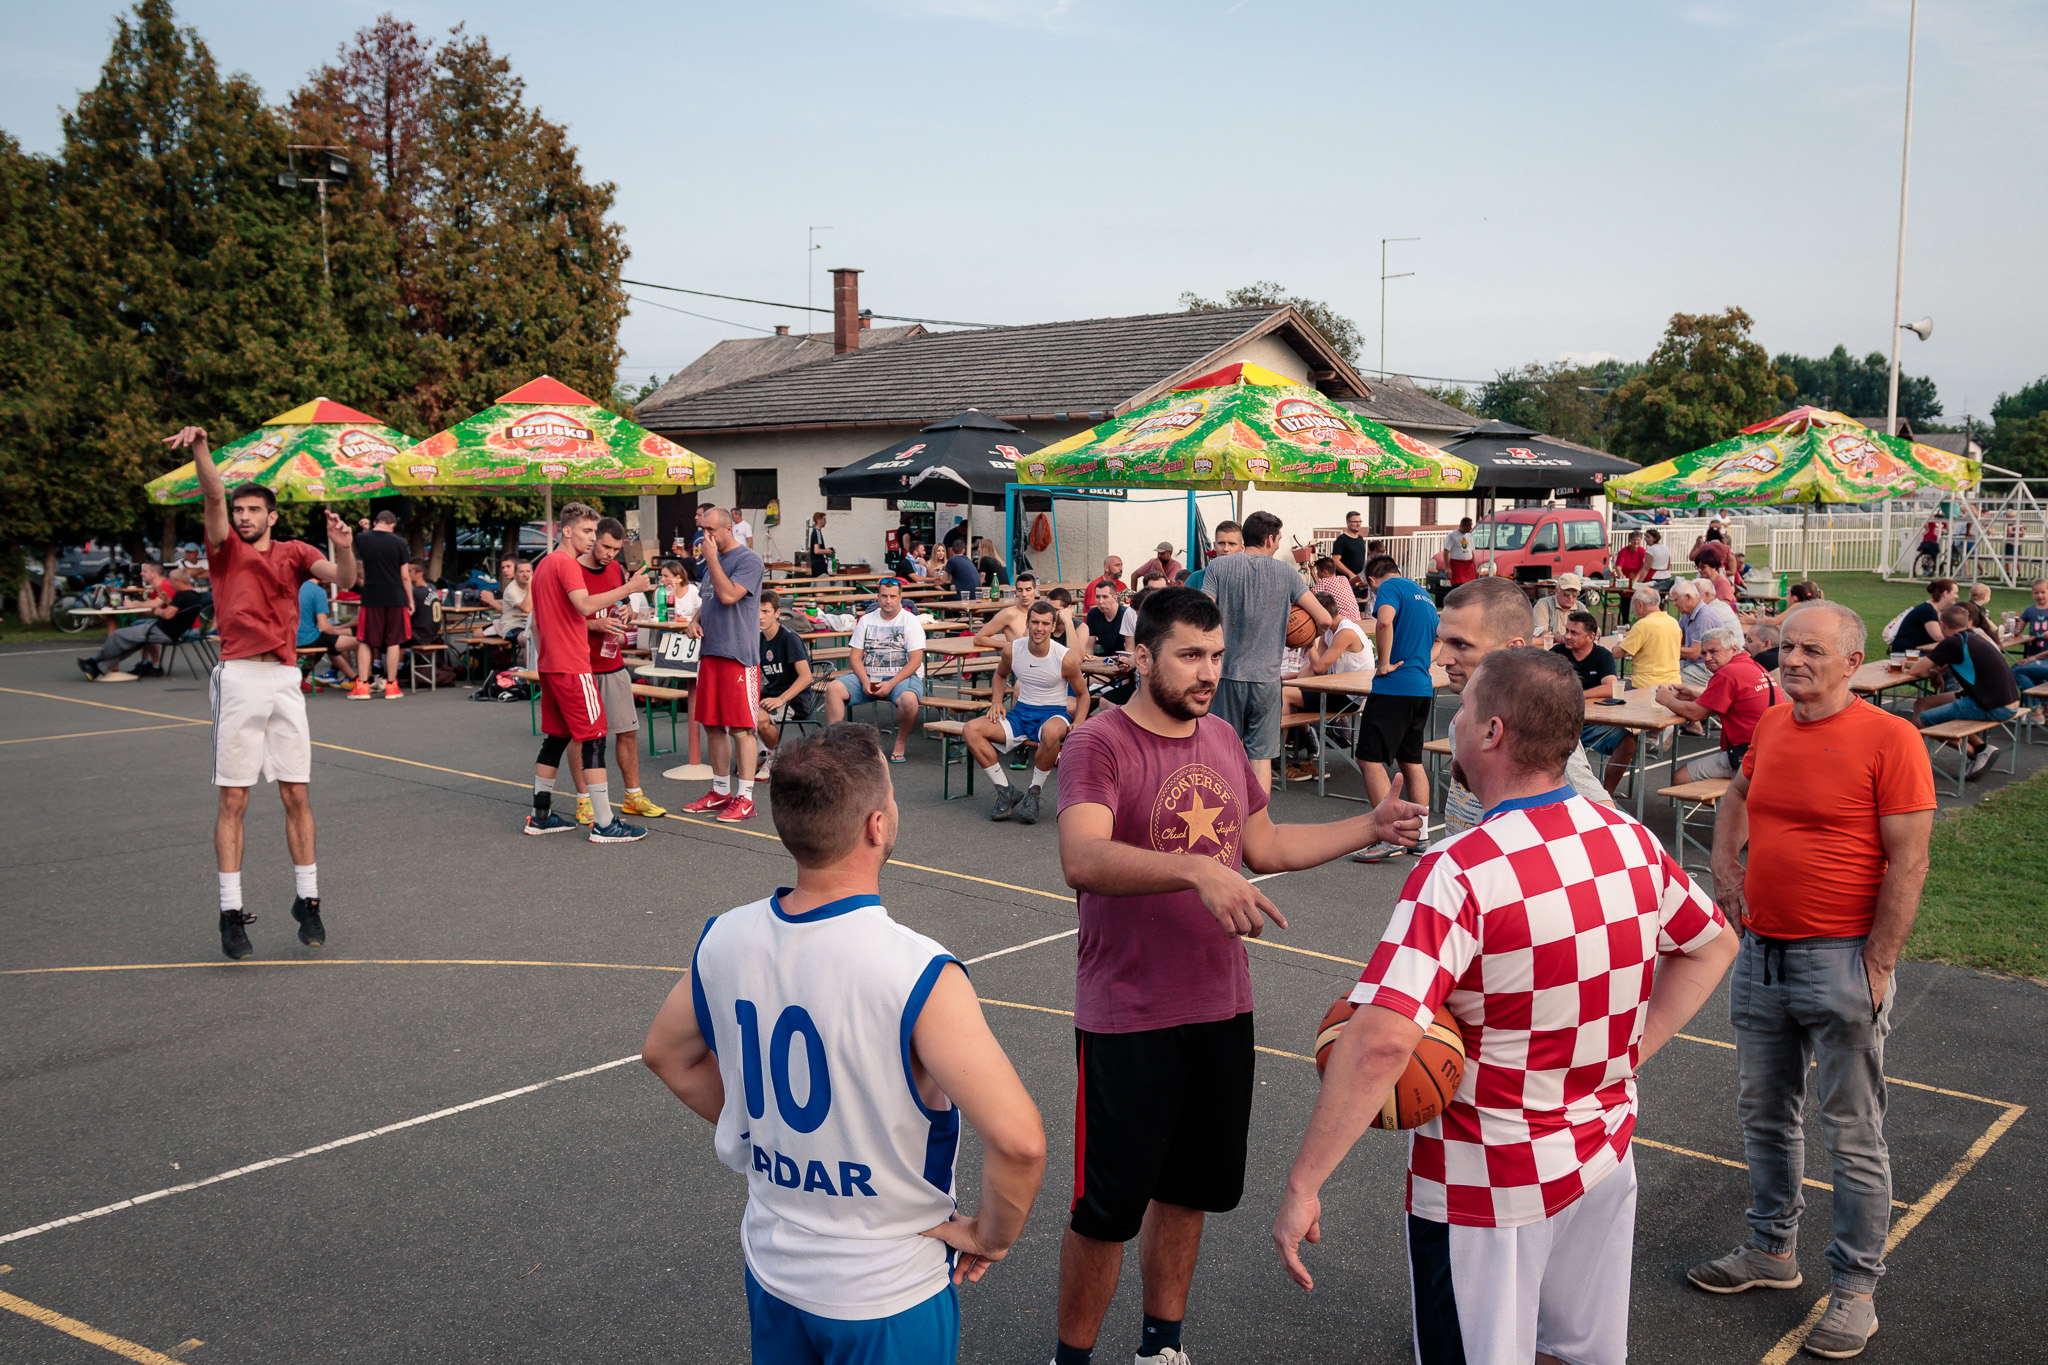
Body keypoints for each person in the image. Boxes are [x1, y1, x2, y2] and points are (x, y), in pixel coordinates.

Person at [1273, 647, 1735, 1365]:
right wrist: (1628, 1054)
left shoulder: (1459, 869)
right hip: (1603, 1152)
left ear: (1491, 732)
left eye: (1462, 711)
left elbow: (1382, 1041)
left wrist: (1304, 1182)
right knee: (1573, 1352)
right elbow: (1711, 944)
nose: (1451, 724)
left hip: (1487, 1179)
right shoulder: (1630, 840)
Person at [1053, 587, 1426, 1365]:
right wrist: (1194, 869)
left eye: (1217, 656)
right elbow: (1081, 858)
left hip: (1220, 1005)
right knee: (1107, 1208)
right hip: (1127, 1012)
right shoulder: (1101, 741)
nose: (1208, 672)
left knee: (1189, 1191)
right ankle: (1074, 1357)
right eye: (1190, 655)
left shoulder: (1222, 736)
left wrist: (1372, 822)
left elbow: (1263, 844)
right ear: (1145, 657)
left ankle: (1161, 1346)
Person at [641, 723, 1047, 1364]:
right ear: (878, 826)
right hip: (885, 1289)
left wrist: (760, 1131)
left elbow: (666, 1053)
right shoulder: (917, 971)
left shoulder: (725, 937)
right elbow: (1020, 1140)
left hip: (775, 1264)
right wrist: (989, 1236)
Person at [1695, 602, 1936, 1360]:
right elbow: (1736, 796)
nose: (1790, 659)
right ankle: (1772, 1251)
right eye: (1784, 646)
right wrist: (1725, 866)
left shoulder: (1889, 738)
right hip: (1761, 953)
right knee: (1765, 1114)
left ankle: (1857, 1289)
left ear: (1852, 661)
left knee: (1853, 1133)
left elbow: (1911, 862)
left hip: (1840, 961)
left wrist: (1878, 965)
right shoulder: (1771, 724)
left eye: (1810, 650)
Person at [165, 426, 358, 961]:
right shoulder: (224, 547)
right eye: (240, 509)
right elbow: (211, 494)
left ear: (272, 516)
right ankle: (231, 912)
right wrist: (203, 449)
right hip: (239, 677)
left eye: (253, 510)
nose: (244, 516)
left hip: (284, 679)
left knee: (297, 795)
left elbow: (341, 575)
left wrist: (345, 548)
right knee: (235, 798)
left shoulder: (295, 552)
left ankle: (308, 900)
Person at [1430, 577, 1614, 837]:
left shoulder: (1536, 727)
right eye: (1441, 642)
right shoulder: (1466, 716)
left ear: (1513, 649)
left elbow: (1603, 813)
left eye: (1460, 644)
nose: (1442, 660)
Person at [524, 503, 653, 844]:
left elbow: (536, 622)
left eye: (594, 532)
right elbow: (584, 606)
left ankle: (540, 815)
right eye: (586, 531)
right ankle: (605, 822)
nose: (592, 538)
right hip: (572, 664)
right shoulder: (566, 564)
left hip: (550, 664)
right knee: (594, 738)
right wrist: (631, 588)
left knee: (555, 739)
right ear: (566, 531)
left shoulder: (543, 565)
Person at [1200, 510, 1333, 792]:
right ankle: (1258, 822)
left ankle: (1225, 815)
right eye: (1279, 539)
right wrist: (1305, 639)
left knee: (1224, 754)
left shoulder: (1218, 568)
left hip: (1227, 676)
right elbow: (1324, 619)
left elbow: (1201, 614)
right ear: (1270, 539)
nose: (1279, 544)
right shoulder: (1286, 573)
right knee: (1260, 758)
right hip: (1267, 681)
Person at [564, 519, 666, 824]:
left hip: (611, 661)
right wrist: (593, 624)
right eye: (605, 546)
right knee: (579, 736)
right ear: (593, 538)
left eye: (616, 549)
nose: (610, 553)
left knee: (627, 730)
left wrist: (628, 612)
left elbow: (626, 608)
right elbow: (558, 621)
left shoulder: (614, 570)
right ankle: (584, 800)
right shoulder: (570, 569)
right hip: (579, 665)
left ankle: (633, 795)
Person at [677, 508, 768, 821]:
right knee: (713, 725)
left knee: (742, 728)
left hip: (738, 655)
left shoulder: (748, 560)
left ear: (729, 528)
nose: (706, 538)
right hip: (711, 651)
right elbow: (710, 598)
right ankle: (720, 791)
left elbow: (729, 595)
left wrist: (712, 558)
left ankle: (745, 797)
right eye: (703, 530)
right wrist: (695, 619)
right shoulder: (708, 560)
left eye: (712, 530)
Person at [966, 600, 1091, 824]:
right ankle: (1006, 791)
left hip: (1052, 713)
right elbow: (1000, 676)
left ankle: (1034, 793)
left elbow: (1083, 694)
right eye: (1035, 622)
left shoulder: (1064, 658)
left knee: (1052, 733)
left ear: (1053, 627)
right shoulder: (1012, 649)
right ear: (1028, 623)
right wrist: (996, 701)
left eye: (1045, 623)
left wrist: (1080, 721)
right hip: (1020, 714)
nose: (1039, 628)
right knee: (971, 729)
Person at [1354, 553, 1437, 860]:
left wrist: (1385, 662)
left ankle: (1388, 835)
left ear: (1373, 581)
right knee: (1411, 760)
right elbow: (1438, 639)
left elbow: (1385, 621)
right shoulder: (1425, 595)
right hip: (1420, 687)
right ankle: (1421, 836)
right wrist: (1421, 661)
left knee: (1369, 759)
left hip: (1394, 688)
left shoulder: (1389, 588)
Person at [1906, 602, 2018, 776]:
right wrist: (1936, 672)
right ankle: (1981, 747)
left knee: (1922, 720)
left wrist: (1905, 664)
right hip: (2006, 700)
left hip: (1991, 705)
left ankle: (1976, 753)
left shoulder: (1952, 643)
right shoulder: (1974, 636)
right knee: (1922, 703)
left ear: (1943, 624)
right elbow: (1948, 664)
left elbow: (1916, 670)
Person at [823, 578, 926, 763]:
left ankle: (900, 742)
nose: (888, 600)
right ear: (877, 597)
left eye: (893, 596)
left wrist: (891, 684)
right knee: (833, 688)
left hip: (901, 678)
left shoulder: (910, 621)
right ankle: (835, 744)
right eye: (884, 596)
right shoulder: (866, 619)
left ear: (900, 598)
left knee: (909, 700)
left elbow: (915, 661)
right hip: (869, 674)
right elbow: (855, 657)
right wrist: (864, 680)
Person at [1659, 626, 1779, 782]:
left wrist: (1666, 699)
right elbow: (1739, 697)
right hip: (1771, 748)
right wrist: (1696, 693)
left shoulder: (1727, 673)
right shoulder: (1752, 664)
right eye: (1703, 653)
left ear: (1733, 649)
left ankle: (1731, 804)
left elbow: (1695, 713)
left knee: (1680, 777)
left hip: (1747, 754)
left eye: (1714, 651)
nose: (1707, 658)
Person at [1552, 608, 1635, 791]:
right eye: (1566, 631)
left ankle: (1606, 793)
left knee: (1627, 741)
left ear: (1590, 637)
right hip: (1561, 721)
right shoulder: (1556, 654)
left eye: (1574, 633)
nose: (1567, 636)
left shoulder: (1603, 656)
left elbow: (1611, 688)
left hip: (1592, 722)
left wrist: (1579, 694)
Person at [80, 566, 207, 680]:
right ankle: (98, 668)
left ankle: (93, 661)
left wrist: (159, 612)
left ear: (179, 581)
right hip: (173, 630)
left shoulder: (182, 596)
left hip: (164, 631)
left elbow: (168, 614)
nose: (171, 584)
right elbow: (181, 611)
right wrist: (167, 600)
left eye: (172, 580)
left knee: (118, 635)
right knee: (131, 642)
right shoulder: (193, 596)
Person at [346, 510, 410, 700]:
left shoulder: (362, 538)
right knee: (393, 641)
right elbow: (405, 576)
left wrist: (366, 529)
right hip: (396, 597)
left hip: (371, 596)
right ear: (392, 524)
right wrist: (410, 601)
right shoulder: (399, 542)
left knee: (366, 640)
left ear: (375, 522)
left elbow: (370, 542)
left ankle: (363, 686)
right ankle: (391, 686)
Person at [753, 590, 814, 776]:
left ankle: (774, 756)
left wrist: (781, 699)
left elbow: (806, 677)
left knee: (758, 718)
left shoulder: (789, 638)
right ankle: (760, 750)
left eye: (766, 612)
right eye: (757, 611)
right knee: (734, 714)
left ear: (777, 613)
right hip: (771, 693)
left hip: (794, 699)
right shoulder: (760, 638)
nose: (760, 617)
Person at [1613, 584, 1681, 690]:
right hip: (1673, 682)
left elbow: (1616, 653)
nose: (1632, 610)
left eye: (1633, 605)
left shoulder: (1642, 625)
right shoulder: (1673, 622)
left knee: (1609, 690)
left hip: (1644, 684)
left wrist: (1621, 641)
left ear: (1640, 604)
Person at [1675, 578, 1740, 688]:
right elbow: (1676, 637)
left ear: (1688, 597)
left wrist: (1664, 649)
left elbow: (1694, 653)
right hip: (1698, 663)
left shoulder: (1704, 616)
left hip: (1708, 666)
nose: (1674, 604)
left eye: (1676, 600)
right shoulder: (1688, 614)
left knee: (1670, 679)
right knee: (1662, 671)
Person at [295, 573, 356, 688]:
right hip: (307, 639)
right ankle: (361, 680)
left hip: (291, 637)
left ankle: (303, 676)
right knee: (359, 642)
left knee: (327, 642)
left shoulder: (293, 587)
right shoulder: (318, 592)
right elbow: (324, 626)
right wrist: (338, 630)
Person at [1083, 580, 1138, 706]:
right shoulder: (1093, 614)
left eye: (1105, 597)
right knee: (1082, 684)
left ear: (1115, 598)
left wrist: (1098, 659)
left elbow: (1129, 652)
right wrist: (1089, 658)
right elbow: (1089, 649)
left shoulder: (1125, 614)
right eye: (1097, 597)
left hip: (1123, 667)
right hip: (1105, 665)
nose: (1100, 601)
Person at [975, 573, 1048, 649]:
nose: (1024, 594)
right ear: (1016, 592)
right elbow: (979, 638)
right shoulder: (1009, 614)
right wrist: (1009, 645)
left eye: (1028, 590)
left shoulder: (1043, 614)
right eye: (1020, 590)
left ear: (1036, 590)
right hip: (1018, 658)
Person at [1890, 577, 1955, 655]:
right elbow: (1938, 637)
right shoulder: (1928, 610)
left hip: (1915, 651)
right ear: (1946, 594)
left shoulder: (1936, 610)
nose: (1957, 596)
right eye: (1955, 593)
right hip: (1906, 653)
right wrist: (1956, 639)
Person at [480, 553, 531, 648]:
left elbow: (506, 610)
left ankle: (501, 659)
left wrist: (492, 601)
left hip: (516, 623)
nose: (505, 570)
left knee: (476, 634)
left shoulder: (515, 585)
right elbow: (511, 602)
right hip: (519, 622)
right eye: (503, 568)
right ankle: (504, 657)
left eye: (508, 566)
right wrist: (495, 601)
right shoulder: (516, 584)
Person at [1184, 521, 1240, 592]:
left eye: (1232, 544)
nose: (1226, 549)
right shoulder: (1195, 579)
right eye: (1221, 543)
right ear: (1214, 546)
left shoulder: (1249, 579)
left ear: (1242, 548)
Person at [1530, 572, 1584, 639]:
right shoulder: (1543, 604)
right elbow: (1541, 633)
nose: (1570, 597)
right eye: (1566, 592)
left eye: (1575, 593)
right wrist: (1564, 639)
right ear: (1556, 591)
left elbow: (1595, 630)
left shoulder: (1580, 607)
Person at [1310, 555, 1360, 621]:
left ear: (1325, 572)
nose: (1317, 574)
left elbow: (1309, 596)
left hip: (1344, 621)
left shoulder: (1325, 582)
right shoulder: (1344, 579)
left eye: (1318, 571)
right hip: (1356, 618)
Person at [1331, 509, 1370, 586]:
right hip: (1345, 581)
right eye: (1355, 522)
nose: (1358, 524)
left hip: (1359, 582)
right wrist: (1350, 574)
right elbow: (1336, 561)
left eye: (1360, 521)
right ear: (1348, 522)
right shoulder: (1341, 540)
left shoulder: (1360, 539)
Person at [1441, 515, 1477, 586]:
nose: (1470, 528)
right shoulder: (1452, 535)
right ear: (1462, 525)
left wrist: (1475, 568)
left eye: (1471, 525)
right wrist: (1448, 568)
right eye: (1468, 526)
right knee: (1458, 586)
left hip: (1469, 566)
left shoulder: (1469, 536)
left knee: (1469, 587)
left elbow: (1472, 552)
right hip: (1457, 566)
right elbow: (1446, 551)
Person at [1643, 527, 1673, 592]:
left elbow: (1646, 568)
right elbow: (1668, 564)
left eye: (1648, 537)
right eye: (1645, 537)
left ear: (1655, 538)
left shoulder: (1651, 550)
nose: (1646, 539)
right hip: (1667, 577)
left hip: (1655, 578)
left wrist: (1640, 581)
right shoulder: (1665, 548)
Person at [805, 510, 829, 576]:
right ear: (819, 520)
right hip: (820, 566)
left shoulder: (814, 532)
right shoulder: (817, 532)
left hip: (815, 566)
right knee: (822, 585)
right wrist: (828, 551)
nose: (825, 522)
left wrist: (826, 549)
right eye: (824, 520)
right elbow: (817, 550)